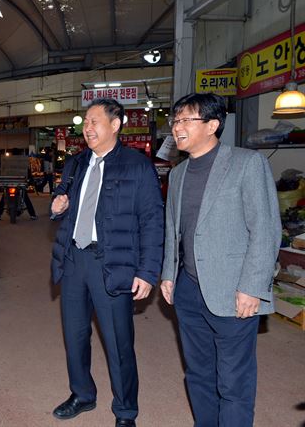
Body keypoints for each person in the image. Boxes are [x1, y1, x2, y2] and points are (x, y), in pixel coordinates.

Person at [160, 93, 281, 427]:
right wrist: (169, 273)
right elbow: (174, 229)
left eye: (186, 120)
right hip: (188, 290)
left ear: (212, 125)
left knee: (233, 380)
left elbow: (266, 229)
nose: (177, 127)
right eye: (175, 120)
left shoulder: (247, 163)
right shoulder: (178, 174)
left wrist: (252, 287)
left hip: (234, 291)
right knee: (198, 373)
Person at [50, 98, 164, 427]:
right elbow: (62, 197)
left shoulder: (137, 166)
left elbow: (153, 221)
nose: (87, 128)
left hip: (111, 262)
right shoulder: (76, 163)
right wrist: (58, 207)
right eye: (85, 122)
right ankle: (82, 394)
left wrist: (147, 271)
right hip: (73, 259)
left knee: (118, 343)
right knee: (74, 335)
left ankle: (125, 411)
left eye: (95, 121)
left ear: (115, 125)